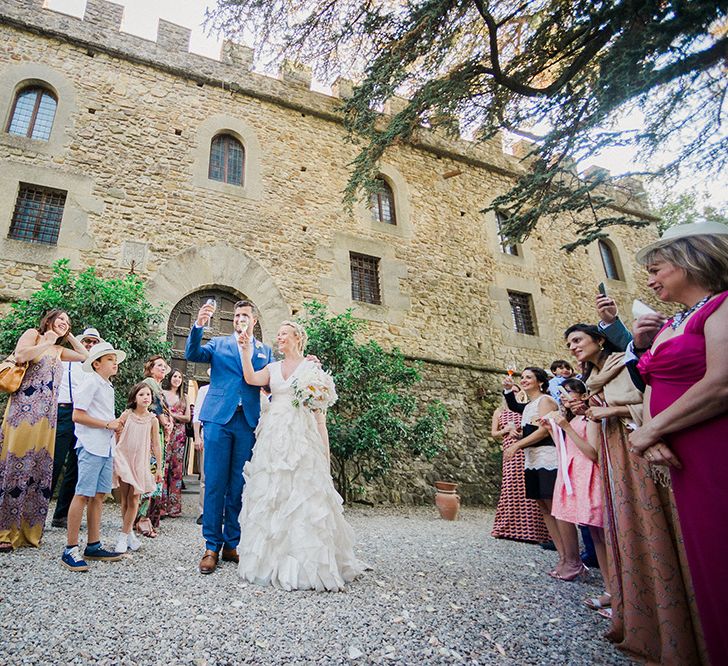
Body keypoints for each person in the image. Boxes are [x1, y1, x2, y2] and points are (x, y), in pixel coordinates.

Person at [565, 323, 701, 663]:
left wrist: (606, 408)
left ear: (599, 340)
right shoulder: (596, 374)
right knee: (624, 525)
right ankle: (639, 608)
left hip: (636, 448)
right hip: (615, 450)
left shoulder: (623, 364)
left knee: (647, 518)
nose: (573, 347)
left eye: (578, 340)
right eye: (568, 343)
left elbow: (649, 401)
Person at [629, 221, 728, 665]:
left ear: (692, 259)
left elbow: (723, 383)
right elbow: (651, 380)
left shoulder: (723, 307)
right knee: (710, 565)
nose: (650, 280)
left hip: (716, 450)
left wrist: (648, 432)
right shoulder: (670, 323)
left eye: (657, 268)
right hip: (681, 456)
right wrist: (650, 437)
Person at [237, 320, 366, 590]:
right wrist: (245, 351)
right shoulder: (272, 368)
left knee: (303, 489)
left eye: (284, 333)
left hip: (301, 432)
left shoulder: (311, 368)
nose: (279, 337)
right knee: (273, 490)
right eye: (279, 334)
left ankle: (307, 560)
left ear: (297, 337)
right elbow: (251, 378)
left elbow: (319, 409)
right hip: (274, 433)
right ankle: (271, 560)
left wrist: (323, 444)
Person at [185, 300, 275, 574]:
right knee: (214, 482)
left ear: (254, 320)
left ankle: (231, 543)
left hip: (247, 421)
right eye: (236, 315)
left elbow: (272, 382)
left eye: (245, 315)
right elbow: (192, 353)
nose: (240, 319)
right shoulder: (219, 344)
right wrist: (199, 325)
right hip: (217, 419)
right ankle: (211, 546)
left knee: (239, 484)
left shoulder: (264, 351)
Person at [0, 310, 88, 552]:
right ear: (50, 319)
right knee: (16, 466)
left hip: (47, 418)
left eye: (68, 322)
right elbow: (20, 355)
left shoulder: (60, 351)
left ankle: (29, 531)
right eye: (62, 319)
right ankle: (4, 531)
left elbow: (85, 356)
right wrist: (47, 341)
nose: (65, 323)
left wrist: (68, 336)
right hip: (23, 413)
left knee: (38, 469)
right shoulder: (34, 335)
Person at [503, 368, 583, 580]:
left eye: (529, 377)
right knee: (544, 507)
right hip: (533, 459)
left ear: (540, 382)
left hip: (548, 458)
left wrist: (516, 444)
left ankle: (574, 560)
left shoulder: (546, 401)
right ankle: (563, 557)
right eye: (523, 377)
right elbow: (532, 429)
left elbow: (545, 430)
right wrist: (520, 433)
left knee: (558, 508)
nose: (524, 380)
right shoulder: (529, 405)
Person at [541, 378, 610, 615]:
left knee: (603, 534)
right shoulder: (573, 419)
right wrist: (555, 430)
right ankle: (610, 590)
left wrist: (566, 428)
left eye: (569, 392)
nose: (565, 397)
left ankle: (616, 592)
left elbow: (592, 453)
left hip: (589, 475)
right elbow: (566, 449)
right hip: (575, 475)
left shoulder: (590, 417)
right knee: (595, 534)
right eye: (562, 394)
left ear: (583, 395)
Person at [61, 342, 127, 571]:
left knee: (99, 495)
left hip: (105, 446)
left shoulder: (107, 386)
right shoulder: (90, 382)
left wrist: (113, 426)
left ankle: (93, 544)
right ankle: (70, 548)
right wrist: (108, 423)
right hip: (90, 445)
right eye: (110, 359)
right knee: (82, 494)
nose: (114, 362)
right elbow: (77, 415)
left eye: (114, 358)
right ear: (96, 364)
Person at [50, 327, 103, 529]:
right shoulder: (65, 359)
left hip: (83, 417)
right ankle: (37, 513)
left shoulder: (95, 369)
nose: (90, 345)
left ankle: (61, 516)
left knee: (75, 465)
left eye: (94, 342)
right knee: (54, 462)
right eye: (87, 341)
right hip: (63, 412)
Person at [490, 393, 550, 544]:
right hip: (510, 448)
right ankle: (508, 528)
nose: (516, 394)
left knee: (528, 488)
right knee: (510, 487)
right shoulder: (499, 411)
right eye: (513, 392)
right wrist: (505, 431)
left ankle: (534, 531)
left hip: (526, 448)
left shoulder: (526, 409)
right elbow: (494, 433)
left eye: (518, 391)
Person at [113, 383, 163, 554]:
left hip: (141, 462)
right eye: (141, 394)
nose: (145, 397)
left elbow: (156, 444)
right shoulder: (127, 415)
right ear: (134, 397)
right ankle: (129, 533)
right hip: (124, 458)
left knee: (134, 499)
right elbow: (116, 432)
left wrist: (158, 468)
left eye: (148, 394)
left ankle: (123, 535)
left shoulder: (153, 420)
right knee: (125, 499)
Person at [135, 355, 171, 538]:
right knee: (150, 470)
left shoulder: (159, 386)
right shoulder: (149, 383)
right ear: (150, 368)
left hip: (158, 431)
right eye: (159, 365)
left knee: (156, 470)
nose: (163, 368)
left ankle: (148, 516)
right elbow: (154, 407)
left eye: (164, 366)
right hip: (151, 431)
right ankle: (141, 518)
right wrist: (165, 421)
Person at [161, 369, 190, 519]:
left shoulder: (184, 396)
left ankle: (174, 507)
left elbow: (187, 417)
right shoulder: (163, 393)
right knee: (163, 467)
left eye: (179, 376)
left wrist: (173, 415)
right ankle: (161, 507)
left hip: (179, 434)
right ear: (170, 378)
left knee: (176, 470)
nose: (177, 379)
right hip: (165, 431)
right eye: (174, 376)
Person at [191, 373, 210, 526]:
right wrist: (197, 436)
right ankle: (203, 511)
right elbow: (197, 414)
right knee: (205, 475)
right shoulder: (204, 390)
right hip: (207, 433)